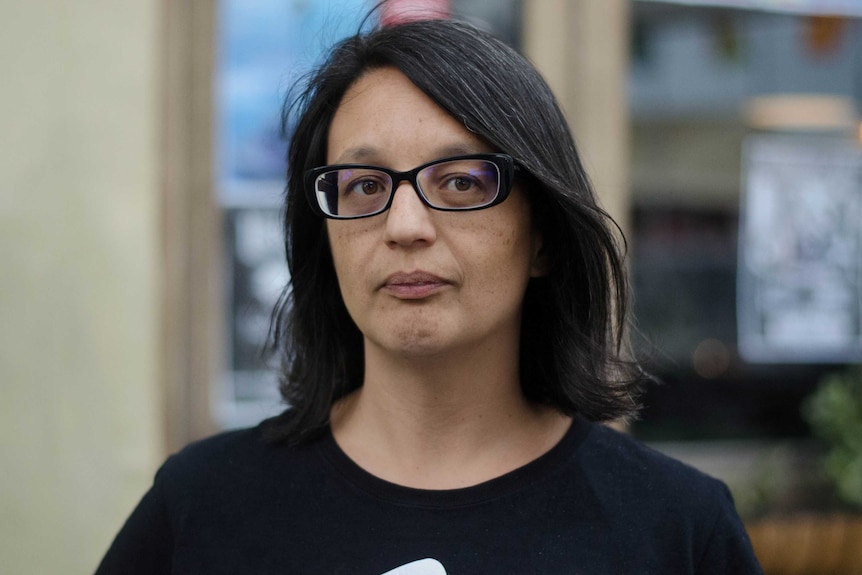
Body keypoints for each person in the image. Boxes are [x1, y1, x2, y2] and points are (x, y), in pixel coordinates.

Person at [96, 16, 763, 574]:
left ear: (543, 237)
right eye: (363, 185)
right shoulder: (201, 508)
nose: (405, 226)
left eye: (462, 181)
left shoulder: (676, 530)